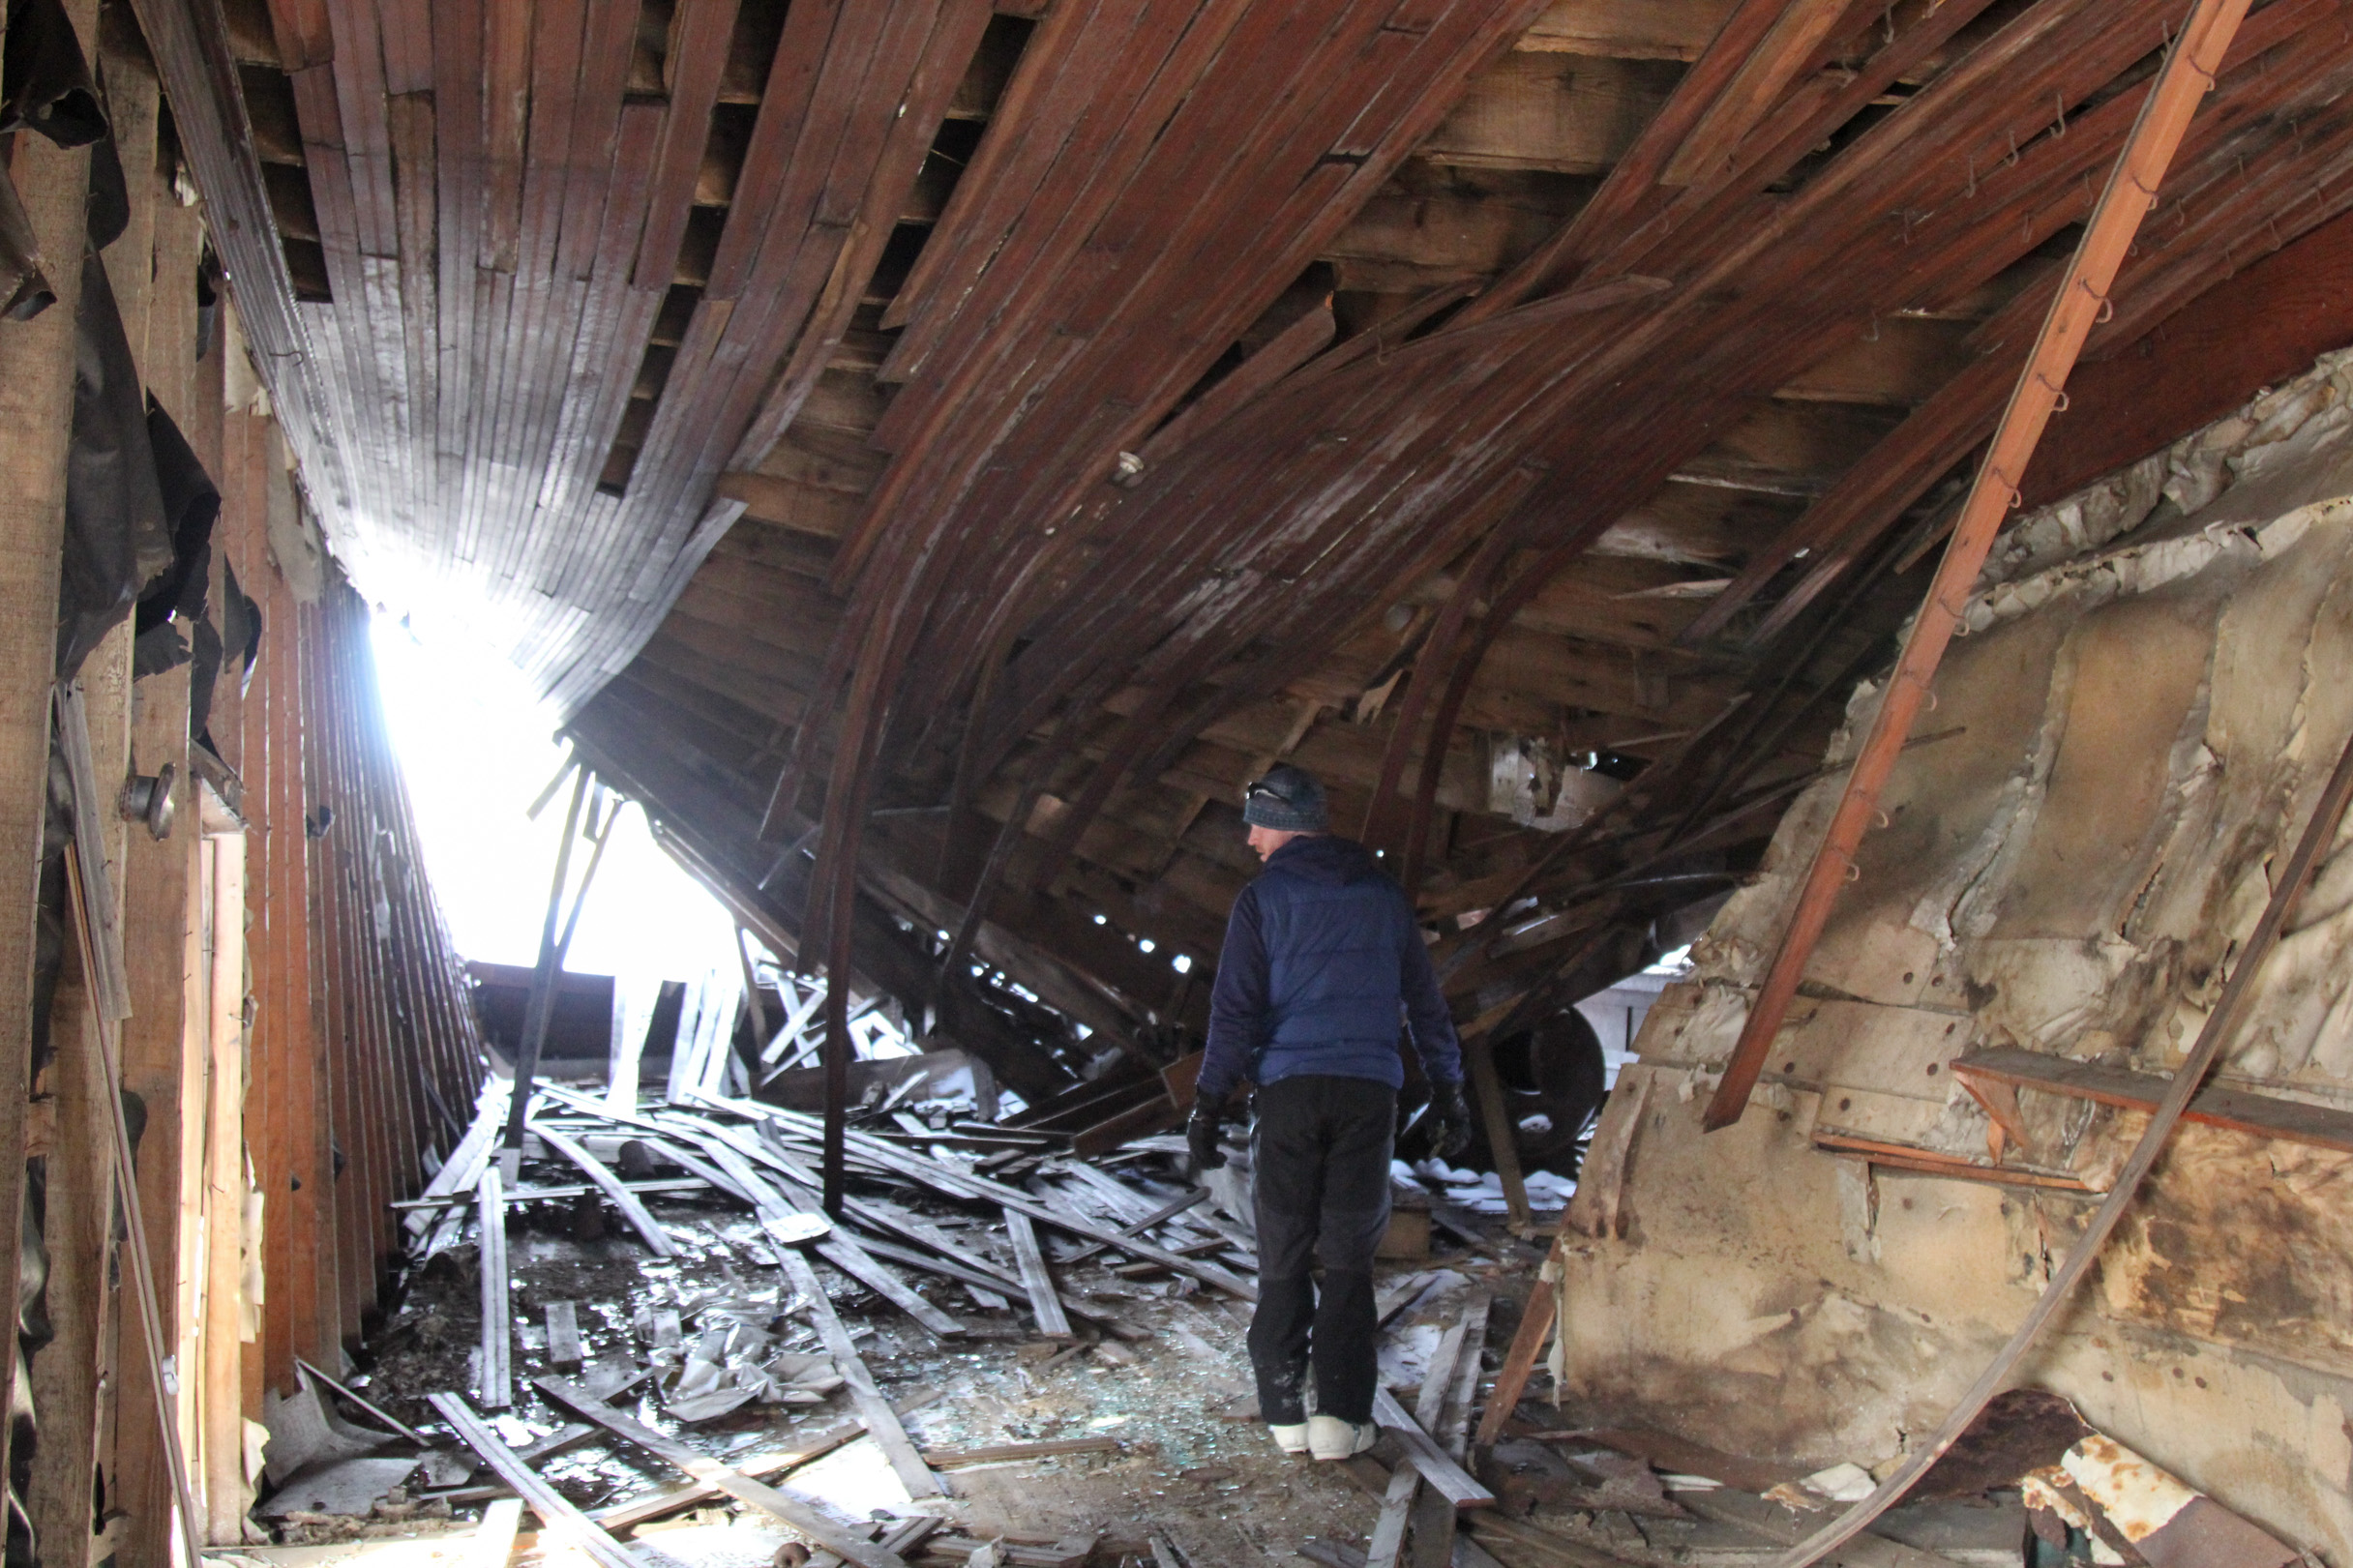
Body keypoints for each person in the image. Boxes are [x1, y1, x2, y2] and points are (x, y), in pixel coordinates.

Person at [1187, 763, 1472, 1461]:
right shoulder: (1382, 895)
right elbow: (1426, 1003)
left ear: (1280, 825)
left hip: (1287, 1090)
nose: (1250, 838)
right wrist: (1448, 1087)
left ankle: (1284, 1413)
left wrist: (1206, 1100)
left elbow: (1234, 1011)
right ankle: (1340, 1421)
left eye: (1255, 823)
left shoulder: (1262, 900)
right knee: (1348, 1254)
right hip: (1367, 1092)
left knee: (1282, 1247)